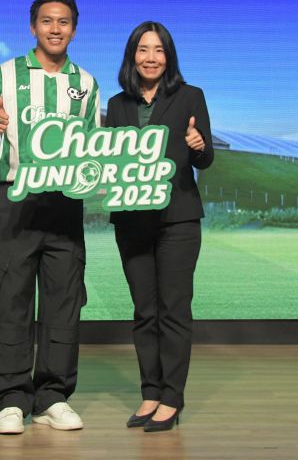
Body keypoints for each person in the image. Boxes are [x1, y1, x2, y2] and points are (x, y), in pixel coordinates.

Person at [0, 0, 100, 435]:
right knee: (11, 296)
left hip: (64, 202)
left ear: (74, 29)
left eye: (63, 22)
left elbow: (92, 147)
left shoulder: (86, 82)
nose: (55, 28)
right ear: (33, 27)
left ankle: (52, 397)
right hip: (15, 199)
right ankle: (10, 399)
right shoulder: (3, 75)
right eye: (47, 21)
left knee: (64, 299)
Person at [105, 21, 213, 433]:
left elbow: (205, 160)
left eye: (159, 50)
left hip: (178, 219)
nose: (151, 58)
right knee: (144, 312)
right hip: (132, 221)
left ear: (169, 56)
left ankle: (171, 398)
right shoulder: (116, 105)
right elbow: (110, 160)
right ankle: (150, 393)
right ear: (132, 56)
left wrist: (199, 146)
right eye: (143, 49)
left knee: (174, 310)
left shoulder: (190, 96)